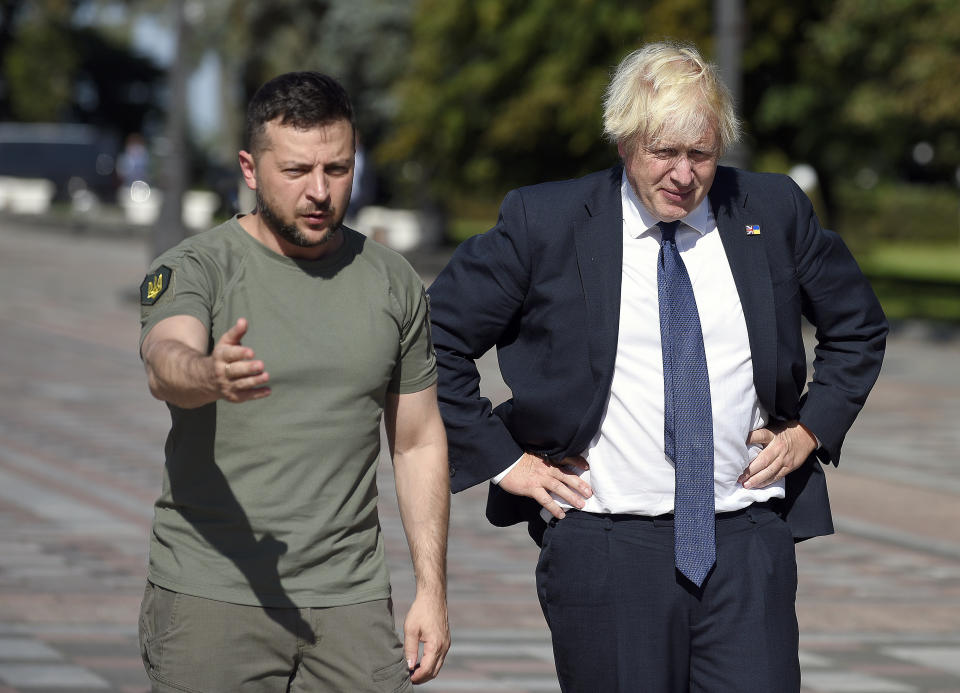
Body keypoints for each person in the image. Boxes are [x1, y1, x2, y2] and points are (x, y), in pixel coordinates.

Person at [428, 41, 887, 692]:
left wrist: (812, 427)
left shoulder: (770, 211)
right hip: (606, 546)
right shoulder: (547, 222)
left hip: (746, 540)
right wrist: (506, 461)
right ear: (624, 141)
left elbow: (858, 324)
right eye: (663, 153)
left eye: (700, 154)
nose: (683, 173)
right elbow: (433, 337)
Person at [136, 71, 450, 692]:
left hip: (352, 603)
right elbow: (164, 359)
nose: (319, 192)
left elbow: (417, 441)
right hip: (213, 595)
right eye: (297, 170)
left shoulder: (393, 281)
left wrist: (432, 591)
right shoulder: (199, 266)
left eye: (336, 169)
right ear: (250, 170)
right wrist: (208, 373)